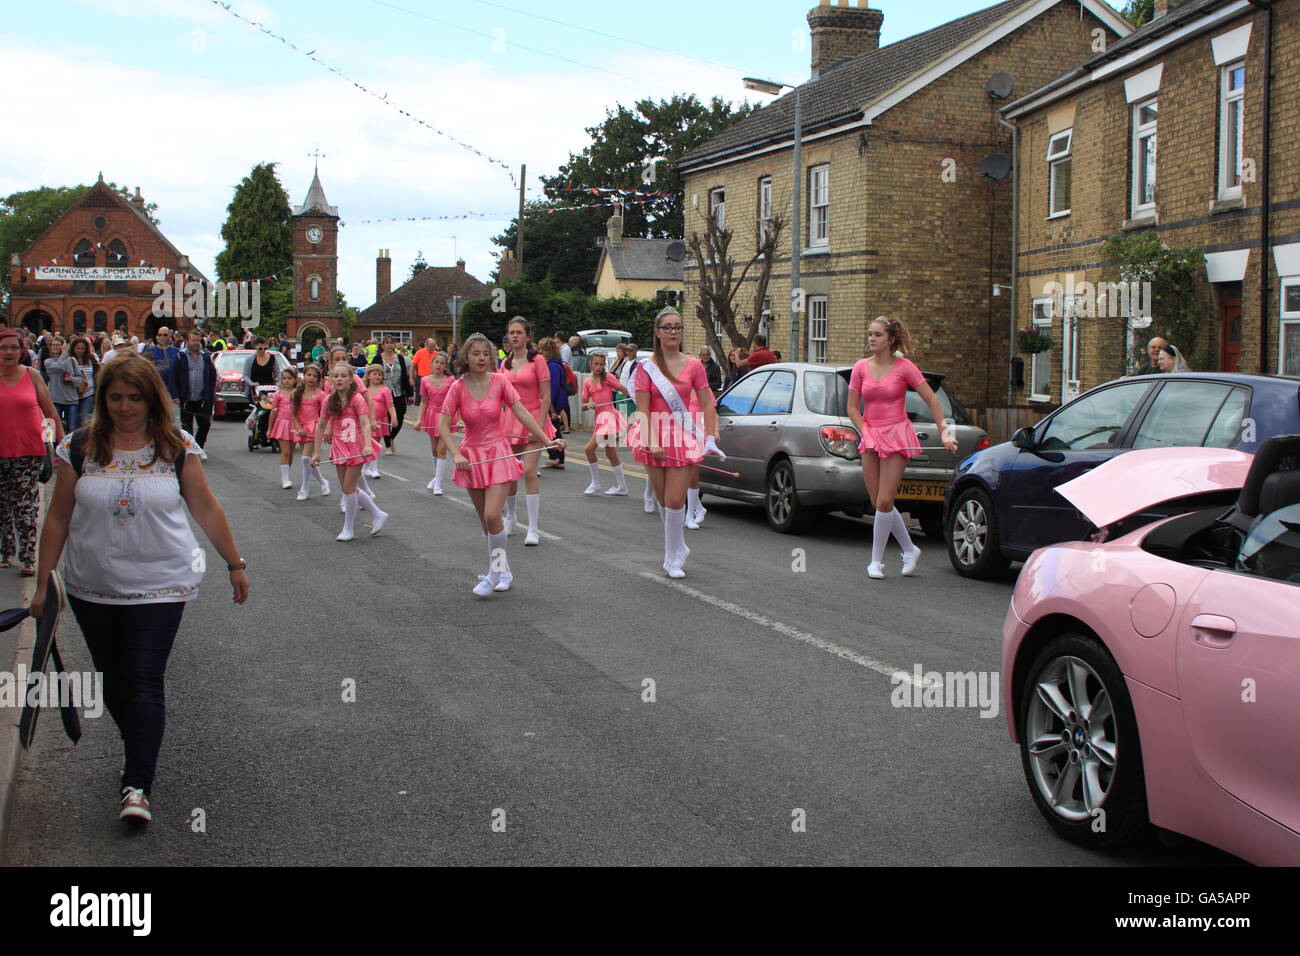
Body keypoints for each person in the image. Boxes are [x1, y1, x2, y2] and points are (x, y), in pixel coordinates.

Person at [31, 353, 248, 823]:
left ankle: (137, 785)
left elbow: (205, 509)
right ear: (103, 398)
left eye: (134, 397)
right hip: (93, 585)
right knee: (112, 680)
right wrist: (42, 584)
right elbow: (58, 519)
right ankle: (141, 747)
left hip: (161, 584)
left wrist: (235, 563)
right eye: (115, 397)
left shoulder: (176, 447)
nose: (125, 407)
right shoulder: (78, 447)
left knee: (145, 680)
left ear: (151, 399)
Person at [439, 333, 563, 596]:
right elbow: (443, 424)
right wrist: (456, 455)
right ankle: (503, 569)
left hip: (498, 454)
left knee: (493, 515)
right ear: (466, 358)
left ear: (492, 356)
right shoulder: (458, 387)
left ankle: (494, 573)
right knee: (486, 523)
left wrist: (548, 440)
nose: (482, 358)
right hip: (471, 457)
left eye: (486, 353)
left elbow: (522, 412)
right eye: (476, 353)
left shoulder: (500, 381)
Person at [846, 317, 958, 579]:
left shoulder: (904, 367)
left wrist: (945, 432)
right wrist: (865, 430)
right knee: (877, 502)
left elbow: (932, 400)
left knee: (886, 500)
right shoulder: (861, 367)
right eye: (869, 334)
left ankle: (876, 562)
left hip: (896, 433)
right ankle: (909, 549)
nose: (871, 338)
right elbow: (852, 407)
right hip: (870, 434)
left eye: (877, 335)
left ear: (891, 339)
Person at [632, 307, 719, 578]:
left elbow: (707, 402)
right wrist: (651, 440)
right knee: (661, 497)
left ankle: (671, 559)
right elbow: (643, 408)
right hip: (654, 433)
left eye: (678, 327)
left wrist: (709, 435)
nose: (673, 332)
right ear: (657, 332)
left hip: (682, 436)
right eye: (668, 327)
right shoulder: (645, 367)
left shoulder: (693, 365)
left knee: (674, 499)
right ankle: (677, 545)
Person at [0, 328, 64, 576]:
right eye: (4, 347)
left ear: (22, 351)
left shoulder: (32, 375)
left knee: (26, 506)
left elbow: (50, 414)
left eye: (14, 348)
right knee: (2, 506)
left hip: (29, 452)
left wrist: (57, 444)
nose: (9, 352)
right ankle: (6, 553)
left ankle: (27, 557)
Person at [310, 363, 389, 542]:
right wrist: (316, 453)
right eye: (335, 376)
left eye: (343, 376)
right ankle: (378, 514)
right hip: (339, 445)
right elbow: (321, 425)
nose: (339, 379)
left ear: (350, 379)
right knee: (348, 488)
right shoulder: (329, 400)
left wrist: (368, 445)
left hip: (356, 445)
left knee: (348, 487)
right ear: (330, 379)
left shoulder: (356, 399)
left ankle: (349, 529)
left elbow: (364, 423)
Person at [499, 317, 556, 545]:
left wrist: (539, 426)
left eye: (518, 332)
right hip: (509, 420)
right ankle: (510, 517)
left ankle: (533, 528)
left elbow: (546, 396)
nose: (514, 336)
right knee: (510, 472)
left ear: (528, 336)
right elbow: (500, 396)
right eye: (511, 332)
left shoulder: (538, 361)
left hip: (533, 418)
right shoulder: (505, 363)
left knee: (529, 471)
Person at [580, 350, 629, 496]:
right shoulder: (587, 382)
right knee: (611, 454)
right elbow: (583, 406)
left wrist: (637, 398)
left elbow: (623, 389)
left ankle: (595, 483)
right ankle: (622, 487)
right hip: (599, 419)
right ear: (590, 364)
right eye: (596, 363)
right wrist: (589, 405)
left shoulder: (608, 377)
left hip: (609, 417)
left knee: (589, 449)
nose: (598, 367)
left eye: (601, 364)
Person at [168, 329, 216, 448]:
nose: (196, 343)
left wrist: (211, 391)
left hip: (203, 398)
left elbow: (212, 375)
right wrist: (175, 395)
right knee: (187, 428)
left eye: (198, 340)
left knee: (205, 425)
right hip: (186, 398)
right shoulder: (180, 356)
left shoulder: (205, 356)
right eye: (193, 340)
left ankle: (198, 447)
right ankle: (189, 450)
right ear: (187, 341)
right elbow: (173, 377)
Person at [290, 364, 330, 500]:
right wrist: (299, 428)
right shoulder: (297, 394)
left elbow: (326, 414)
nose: (311, 378)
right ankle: (323, 482)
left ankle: (304, 488)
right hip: (301, 428)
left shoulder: (321, 395)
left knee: (305, 458)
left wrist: (326, 430)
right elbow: (293, 414)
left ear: (318, 379)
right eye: (309, 375)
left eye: (314, 376)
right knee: (308, 461)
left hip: (314, 427)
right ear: (303, 376)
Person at [419, 351, 455, 494]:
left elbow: (456, 401)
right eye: (436, 362)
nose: (439, 365)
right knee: (434, 449)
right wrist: (418, 419)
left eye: (442, 363)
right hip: (431, 415)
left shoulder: (451, 380)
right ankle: (437, 477)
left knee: (441, 450)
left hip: (446, 416)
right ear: (432, 363)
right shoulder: (425, 380)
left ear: (446, 366)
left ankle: (438, 484)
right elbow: (423, 402)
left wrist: (459, 419)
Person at [266, 366, 302, 488]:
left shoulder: (298, 393)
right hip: (282, 424)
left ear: (295, 380)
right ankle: (285, 479)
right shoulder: (278, 394)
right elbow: (274, 411)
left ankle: (286, 475)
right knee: (285, 452)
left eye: (289, 378)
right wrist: (269, 428)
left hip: (294, 424)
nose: (287, 381)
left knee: (291, 453)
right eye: (284, 378)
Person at [44, 336, 86, 433]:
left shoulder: (72, 360)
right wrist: (64, 354)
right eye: (53, 345)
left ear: (63, 346)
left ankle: (70, 447)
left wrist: (71, 378)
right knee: (52, 429)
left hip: (71, 399)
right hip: (55, 399)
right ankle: (51, 447)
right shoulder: (48, 362)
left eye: (58, 345)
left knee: (71, 429)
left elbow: (80, 380)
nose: (55, 347)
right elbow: (58, 367)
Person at [377, 336, 410, 455]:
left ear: (394, 344)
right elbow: (372, 373)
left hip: (398, 393)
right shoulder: (377, 358)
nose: (389, 345)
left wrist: (410, 394)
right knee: (386, 420)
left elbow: (404, 377)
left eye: (391, 343)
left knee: (399, 419)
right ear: (383, 345)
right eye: (387, 343)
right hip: (383, 394)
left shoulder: (400, 358)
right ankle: (388, 446)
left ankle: (391, 438)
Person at [361, 365, 396, 478]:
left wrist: (394, 417)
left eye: (380, 374)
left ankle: (373, 469)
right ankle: (366, 468)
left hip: (379, 421)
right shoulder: (364, 389)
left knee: (374, 444)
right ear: (368, 375)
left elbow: (390, 405)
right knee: (367, 444)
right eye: (374, 374)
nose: (377, 376)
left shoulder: (385, 390)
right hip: (366, 421)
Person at [539, 338, 568, 469]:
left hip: (553, 403)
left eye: (541, 349)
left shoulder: (552, 367)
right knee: (553, 431)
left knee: (551, 432)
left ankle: (556, 457)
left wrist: (551, 410)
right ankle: (558, 458)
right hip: (555, 402)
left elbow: (551, 389)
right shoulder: (556, 365)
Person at [68, 336, 99, 428]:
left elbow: (97, 372)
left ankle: (85, 439)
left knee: (84, 419)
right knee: (73, 421)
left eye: (82, 349)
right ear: (73, 348)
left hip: (89, 393)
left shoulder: (90, 359)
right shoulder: (69, 360)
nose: (80, 351)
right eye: (78, 348)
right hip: (73, 394)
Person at [409, 337, 438, 407]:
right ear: (426, 345)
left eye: (434, 346)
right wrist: (411, 378)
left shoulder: (436, 354)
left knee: (432, 400)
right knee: (421, 401)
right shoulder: (419, 353)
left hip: (433, 379)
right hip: (421, 379)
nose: (433, 348)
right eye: (431, 346)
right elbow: (413, 366)